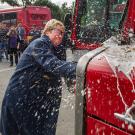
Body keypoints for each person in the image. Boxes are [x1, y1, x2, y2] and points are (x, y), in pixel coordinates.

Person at [0, 19, 76, 135]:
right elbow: (52, 64)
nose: (60, 36)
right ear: (47, 31)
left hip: (39, 100)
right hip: (22, 98)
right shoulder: (39, 43)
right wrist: (81, 68)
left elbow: (63, 69)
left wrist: (72, 83)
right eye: (58, 32)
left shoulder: (59, 49)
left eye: (62, 33)